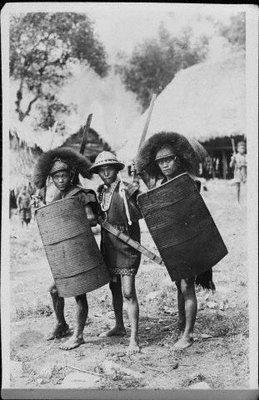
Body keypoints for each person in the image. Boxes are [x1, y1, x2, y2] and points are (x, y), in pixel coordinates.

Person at [136, 132, 215, 350]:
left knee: (187, 285)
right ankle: (182, 327)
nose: (165, 165)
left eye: (168, 159)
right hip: (173, 242)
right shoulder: (159, 182)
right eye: (160, 161)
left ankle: (188, 334)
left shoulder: (189, 182)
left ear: (177, 159)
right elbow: (151, 191)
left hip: (189, 240)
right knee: (180, 285)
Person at [33, 147, 99, 350]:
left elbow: (91, 219)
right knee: (55, 290)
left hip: (79, 249)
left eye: (63, 175)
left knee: (79, 293)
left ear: (71, 175)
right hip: (63, 252)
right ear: (51, 179)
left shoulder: (80, 194)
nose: (60, 180)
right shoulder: (56, 197)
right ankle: (62, 325)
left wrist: (73, 217)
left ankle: (78, 336)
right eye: (56, 177)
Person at [90, 151, 142, 355]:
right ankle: (119, 326)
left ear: (117, 169)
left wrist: (135, 189)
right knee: (114, 288)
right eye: (101, 170)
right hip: (108, 246)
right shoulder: (100, 192)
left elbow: (139, 213)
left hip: (127, 246)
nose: (105, 173)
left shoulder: (127, 189)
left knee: (128, 291)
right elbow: (95, 218)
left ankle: (134, 339)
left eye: (109, 168)